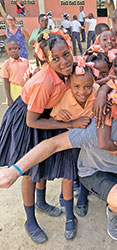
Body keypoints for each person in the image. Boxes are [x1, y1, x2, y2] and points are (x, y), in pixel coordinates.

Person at [0, 101, 117, 245]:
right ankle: (114, 208)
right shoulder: (98, 128)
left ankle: (116, 193)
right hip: (93, 172)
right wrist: (16, 170)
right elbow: (53, 144)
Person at [0, 31, 88, 244]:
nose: (63, 61)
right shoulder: (44, 82)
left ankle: (41, 202)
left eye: (66, 55)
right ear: (47, 60)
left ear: (71, 51)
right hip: (28, 118)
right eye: (55, 59)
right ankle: (29, 220)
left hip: (46, 116)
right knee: (29, 171)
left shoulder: (71, 70)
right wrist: (69, 124)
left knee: (44, 163)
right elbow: (32, 121)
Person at [51, 63, 99, 219]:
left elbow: (106, 89)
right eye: (76, 86)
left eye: (87, 86)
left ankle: (83, 195)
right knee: (69, 173)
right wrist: (61, 118)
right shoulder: (65, 98)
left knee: (85, 169)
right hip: (70, 142)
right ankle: (66, 196)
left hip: (89, 143)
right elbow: (54, 117)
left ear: (93, 83)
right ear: (69, 85)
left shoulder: (97, 92)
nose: (82, 91)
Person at [1, 38, 31, 106]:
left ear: (19, 48)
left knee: (26, 109)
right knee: (16, 111)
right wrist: (9, 98)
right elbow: (6, 81)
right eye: (10, 49)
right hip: (14, 91)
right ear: (6, 51)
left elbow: (30, 76)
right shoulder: (6, 64)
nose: (13, 51)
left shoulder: (25, 62)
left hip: (26, 89)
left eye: (15, 48)